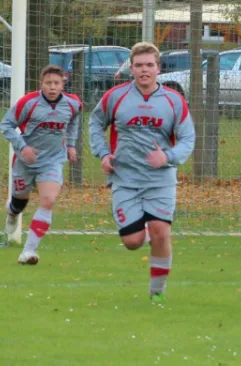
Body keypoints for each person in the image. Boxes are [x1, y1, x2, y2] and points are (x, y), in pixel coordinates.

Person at [88, 42, 195, 302]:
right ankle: (145, 232)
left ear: (158, 69)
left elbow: (188, 139)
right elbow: (94, 123)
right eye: (139, 66)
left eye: (149, 65)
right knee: (133, 241)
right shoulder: (115, 97)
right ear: (131, 69)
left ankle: (157, 294)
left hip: (161, 180)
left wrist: (167, 157)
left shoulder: (174, 100)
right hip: (125, 178)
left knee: (161, 232)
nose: (144, 70)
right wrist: (103, 154)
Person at [1, 65, 82, 265]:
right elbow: (6, 125)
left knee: (48, 199)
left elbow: (74, 121)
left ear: (63, 84)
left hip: (53, 160)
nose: (52, 87)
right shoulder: (28, 103)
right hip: (25, 161)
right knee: (19, 202)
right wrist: (23, 146)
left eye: (56, 83)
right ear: (41, 84)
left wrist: (71, 145)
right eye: (48, 83)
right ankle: (12, 212)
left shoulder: (73, 104)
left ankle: (29, 251)